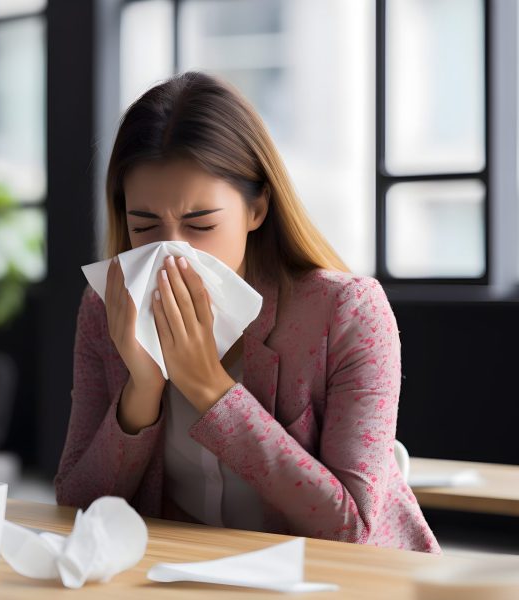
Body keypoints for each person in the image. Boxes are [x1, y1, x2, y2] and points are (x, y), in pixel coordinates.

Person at [54, 71, 440, 554]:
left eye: (200, 224)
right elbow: (75, 506)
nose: (172, 252)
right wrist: (143, 389)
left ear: (256, 209)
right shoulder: (106, 311)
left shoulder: (346, 314)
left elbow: (352, 528)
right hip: (194, 579)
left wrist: (207, 387)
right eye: (145, 225)